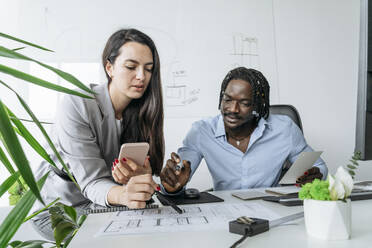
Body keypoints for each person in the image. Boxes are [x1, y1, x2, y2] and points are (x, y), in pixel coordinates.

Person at [32, 28, 163, 240]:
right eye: (131, 66)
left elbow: (126, 184)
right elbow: (92, 182)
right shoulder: (76, 104)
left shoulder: (142, 113)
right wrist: (124, 193)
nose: (141, 76)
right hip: (57, 211)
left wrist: (140, 179)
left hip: (99, 204)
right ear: (109, 68)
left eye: (148, 69)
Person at [158, 67, 328, 193]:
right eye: (228, 100)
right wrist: (172, 184)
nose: (233, 109)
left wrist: (315, 175)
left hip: (271, 207)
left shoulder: (284, 129)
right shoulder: (201, 132)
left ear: (258, 106)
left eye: (244, 103)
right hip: (224, 211)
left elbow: (318, 166)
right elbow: (177, 176)